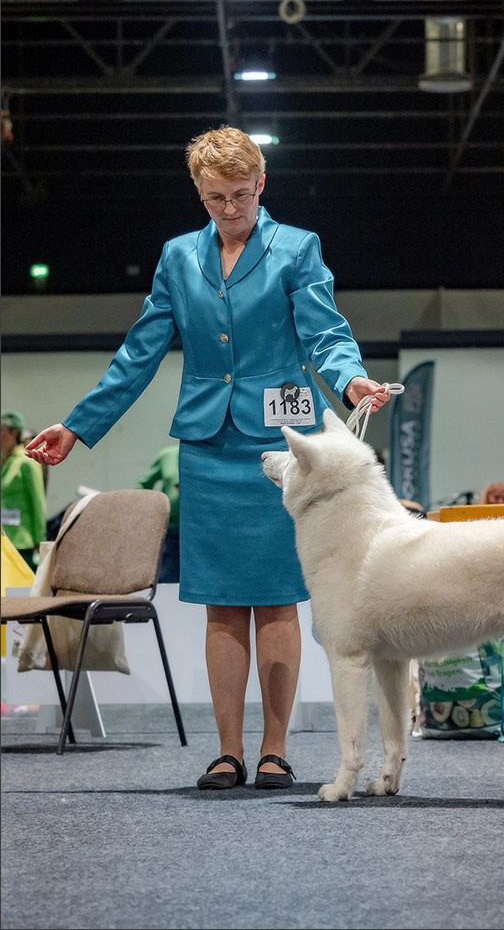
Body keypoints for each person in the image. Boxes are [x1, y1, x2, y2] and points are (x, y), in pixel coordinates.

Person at [24, 126, 391, 791]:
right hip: (208, 448)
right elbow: (139, 354)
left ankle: (275, 750)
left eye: (241, 196)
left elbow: (325, 334)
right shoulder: (177, 258)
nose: (229, 210)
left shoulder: (296, 248)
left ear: (262, 186)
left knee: (278, 601)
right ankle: (228, 752)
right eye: (215, 197)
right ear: (199, 191)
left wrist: (351, 380)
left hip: (284, 446)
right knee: (221, 603)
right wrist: (76, 427)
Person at [1, 410, 47, 570]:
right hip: (6, 541)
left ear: (14, 432)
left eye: (2, 430)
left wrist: (41, 542)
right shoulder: (7, 462)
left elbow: (38, 502)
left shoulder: (26, 461)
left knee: (21, 592)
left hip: (23, 543)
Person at [137, 444, 180, 583]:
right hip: (171, 531)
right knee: (167, 579)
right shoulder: (167, 455)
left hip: (199, 531)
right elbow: (143, 486)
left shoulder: (207, 454)